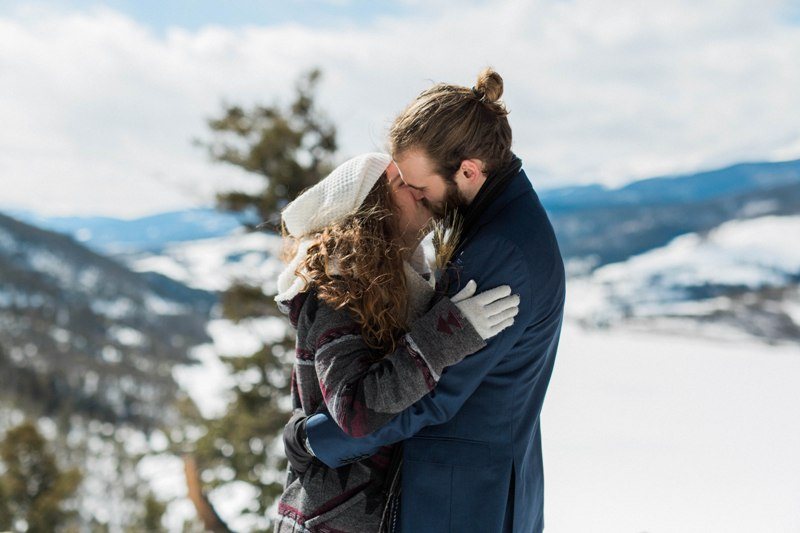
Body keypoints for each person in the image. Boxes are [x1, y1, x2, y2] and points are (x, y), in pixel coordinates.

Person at [284, 68, 566, 532]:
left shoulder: (499, 251)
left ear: (468, 170)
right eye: (405, 190)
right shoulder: (498, 225)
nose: (419, 200)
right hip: (461, 492)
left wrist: (312, 439)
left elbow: (434, 395)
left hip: (462, 499)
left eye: (420, 188)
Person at [272, 152, 521, 532]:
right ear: (371, 208)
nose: (417, 186)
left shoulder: (410, 283)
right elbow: (356, 411)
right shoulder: (338, 290)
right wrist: (449, 334)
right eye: (401, 182)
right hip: (333, 521)